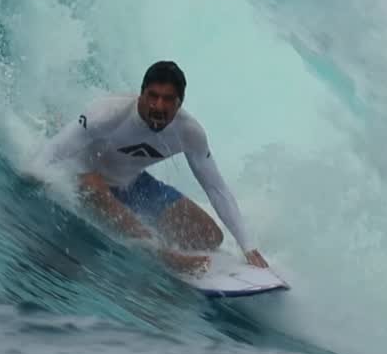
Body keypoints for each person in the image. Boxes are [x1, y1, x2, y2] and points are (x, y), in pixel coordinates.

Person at [30, 60, 268, 276]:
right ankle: (160, 252)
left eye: (168, 99)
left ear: (179, 103)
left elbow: (216, 188)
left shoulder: (189, 132)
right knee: (92, 184)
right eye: (152, 96)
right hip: (84, 177)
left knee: (210, 236)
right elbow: (55, 150)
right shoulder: (108, 114)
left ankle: (143, 231)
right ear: (141, 94)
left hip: (130, 184)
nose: (158, 106)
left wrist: (248, 246)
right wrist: (32, 173)